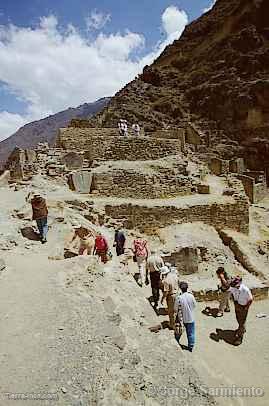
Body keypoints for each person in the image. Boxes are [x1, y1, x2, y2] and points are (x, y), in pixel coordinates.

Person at [229, 276, 253, 345]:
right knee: (238, 319)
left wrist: (246, 308)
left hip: (244, 306)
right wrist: (235, 303)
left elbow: (250, 299)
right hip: (237, 305)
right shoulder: (233, 287)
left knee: (242, 321)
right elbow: (233, 295)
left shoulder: (245, 290)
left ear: (240, 283)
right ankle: (241, 329)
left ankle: (240, 337)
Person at [174, 282, 197, 352]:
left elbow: (175, 308)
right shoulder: (191, 296)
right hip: (191, 318)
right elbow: (195, 305)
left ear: (181, 289)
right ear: (187, 288)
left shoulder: (179, 298)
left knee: (179, 331)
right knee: (191, 333)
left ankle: (176, 341)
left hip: (182, 319)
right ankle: (191, 346)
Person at [160, 266, 179, 330]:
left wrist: (163, 299)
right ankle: (177, 322)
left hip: (171, 296)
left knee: (171, 311)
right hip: (177, 293)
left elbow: (166, 291)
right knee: (177, 309)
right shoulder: (174, 275)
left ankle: (172, 325)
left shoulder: (166, 280)